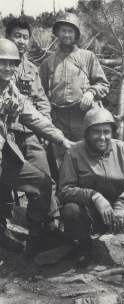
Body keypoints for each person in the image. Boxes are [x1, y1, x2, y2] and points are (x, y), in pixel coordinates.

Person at [58, 107, 124, 287]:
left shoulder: (123, 149)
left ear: (112, 132)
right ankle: (84, 245)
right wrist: (94, 196)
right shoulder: (73, 153)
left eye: (106, 132)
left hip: (122, 214)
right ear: (87, 133)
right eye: (96, 131)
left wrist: (122, 203)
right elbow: (65, 191)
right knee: (70, 209)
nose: (102, 137)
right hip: (92, 215)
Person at [0, 38, 73, 257]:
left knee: (42, 183)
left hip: (5, 158)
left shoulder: (12, 91)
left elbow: (35, 118)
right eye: (2, 62)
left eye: (12, 63)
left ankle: (35, 238)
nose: (7, 68)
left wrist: (62, 140)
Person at [39, 12, 109, 168]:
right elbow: (40, 95)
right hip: (58, 118)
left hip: (82, 116)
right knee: (61, 162)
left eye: (70, 31)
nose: (66, 34)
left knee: (86, 159)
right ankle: (63, 191)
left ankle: (88, 192)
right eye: (63, 30)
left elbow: (103, 84)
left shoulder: (88, 57)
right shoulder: (47, 63)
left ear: (76, 34)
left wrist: (91, 92)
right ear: (57, 33)